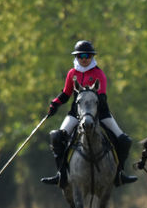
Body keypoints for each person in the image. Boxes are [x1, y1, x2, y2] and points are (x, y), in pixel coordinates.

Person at [41, 40, 137, 187]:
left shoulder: (98, 73)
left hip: (100, 113)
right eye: (81, 56)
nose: (84, 59)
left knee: (124, 140)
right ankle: (61, 174)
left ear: (92, 57)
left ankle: (119, 174)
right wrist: (55, 103)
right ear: (76, 57)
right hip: (76, 113)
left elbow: (102, 96)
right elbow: (66, 93)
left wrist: (94, 110)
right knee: (56, 136)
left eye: (88, 56)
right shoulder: (72, 73)